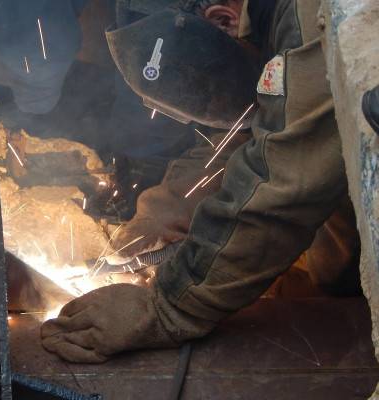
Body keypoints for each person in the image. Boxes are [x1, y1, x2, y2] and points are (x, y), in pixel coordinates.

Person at [41, 0, 361, 363]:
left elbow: (289, 180)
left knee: (338, 266)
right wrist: (172, 202)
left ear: (223, 20)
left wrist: (170, 306)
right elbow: (255, 128)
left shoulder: (310, 22)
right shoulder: (259, 21)